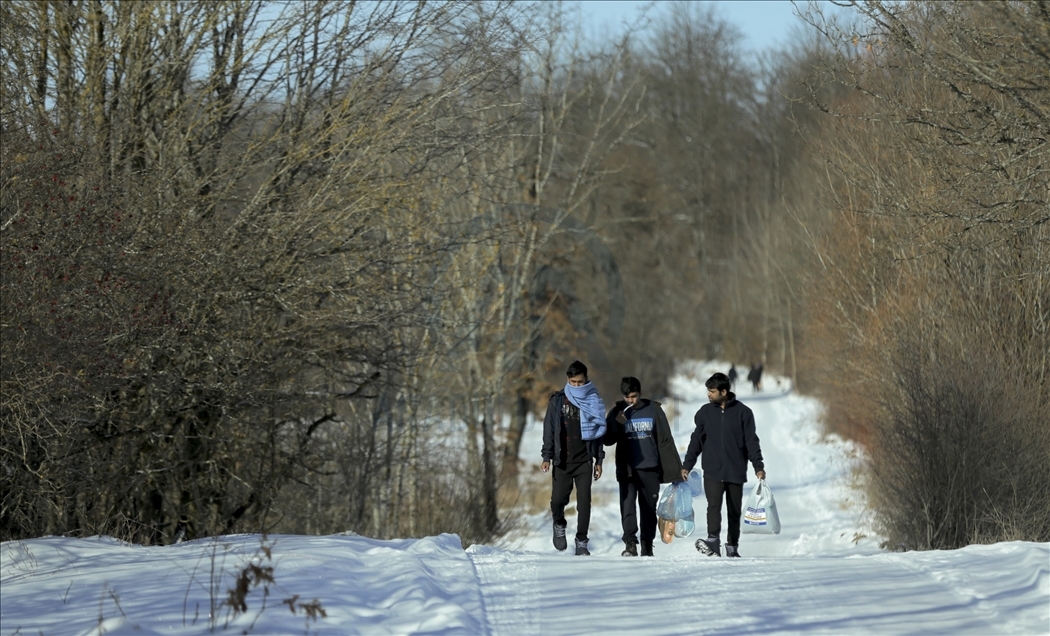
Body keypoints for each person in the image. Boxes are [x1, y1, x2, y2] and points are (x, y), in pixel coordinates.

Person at [680, 372, 765, 558]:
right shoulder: (704, 412)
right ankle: (713, 541)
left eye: (712, 391)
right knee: (713, 507)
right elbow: (696, 441)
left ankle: (732, 546)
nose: (708, 394)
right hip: (712, 470)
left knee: (734, 511)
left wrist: (758, 466)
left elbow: (751, 442)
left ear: (724, 391)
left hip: (735, 471)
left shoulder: (743, 413)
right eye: (708, 391)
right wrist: (687, 464)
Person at [604, 377, 684, 557]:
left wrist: (675, 470)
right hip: (628, 469)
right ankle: (630, 544)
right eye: (627, 397)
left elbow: (665, 440)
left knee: (648, 508)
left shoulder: (654, 410)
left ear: (639, 393)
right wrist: (617, 424)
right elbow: (607, 440)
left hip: (650, 468)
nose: (630, 400)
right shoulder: (617, 411)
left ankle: (647, 545)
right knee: (627, 507)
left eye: (633, 396)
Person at [541, 360, 607, 556]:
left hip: (584, 460)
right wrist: (547, 456)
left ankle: (581, 541)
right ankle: (559, 523)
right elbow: (549, 430)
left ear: (586, 380)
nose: (577, 386)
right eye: (573, 382)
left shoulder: (593, 400)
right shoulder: (557, 401)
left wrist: (599, 460)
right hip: (562, 460)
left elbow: (598, 433)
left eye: (580, 382)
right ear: (567, 380)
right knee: (557, 501)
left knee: (584, 502)